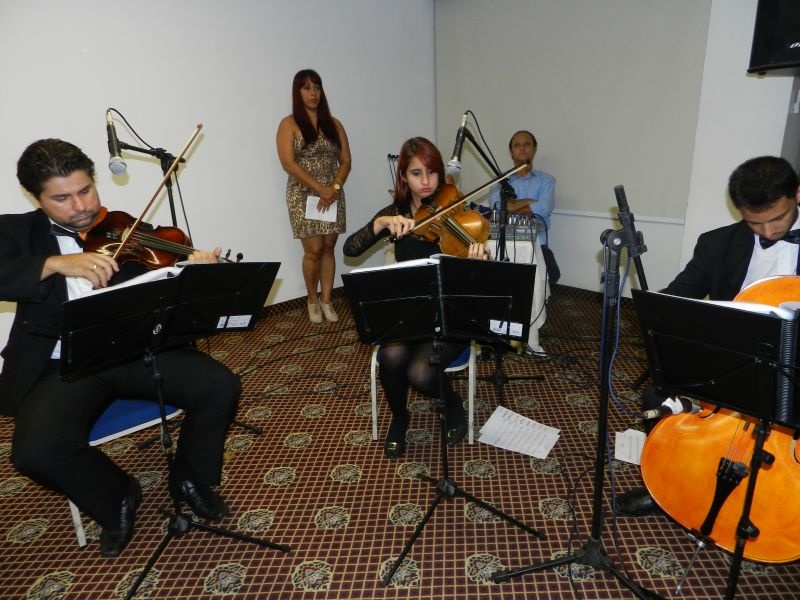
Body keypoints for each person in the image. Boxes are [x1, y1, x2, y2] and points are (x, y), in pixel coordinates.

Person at [0, 138, 241, 557]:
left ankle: (191, 478)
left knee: (219, 385)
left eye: (86, 190)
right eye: (62, 198)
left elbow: (162, 289)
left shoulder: (124, 231)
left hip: (133, 351)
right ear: (35, 197)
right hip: (64, 366)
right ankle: (118, 496)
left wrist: (195, 273)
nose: (81, 207)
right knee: (35, 452)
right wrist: (53, 264)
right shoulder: (16, 233)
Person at [616, 155, 800, 517]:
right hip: (733, 365)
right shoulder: (717, 244)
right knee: (658, 394)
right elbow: (677, 296)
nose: (767, 232)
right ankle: (666, 486)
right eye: (754, 222)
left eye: (777, 219)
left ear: (797, 194)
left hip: (793, 375)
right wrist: (657, 309)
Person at [343, 137, 488, 459]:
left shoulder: (457, 211)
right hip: (410, 311)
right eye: (416, 173)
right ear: (403, 177)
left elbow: (475, 283)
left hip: (449, 314)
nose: (425, 182)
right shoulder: (394, 214)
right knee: (391, 357)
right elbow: (350, 249)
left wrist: (475, 263)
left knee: (420, 372)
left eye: (432, 172)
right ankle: (400, 417)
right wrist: (380, 223)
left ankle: (452, 403)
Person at [277, 69, 352, 324]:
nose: (313, 93)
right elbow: (288, 163)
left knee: (329, 247)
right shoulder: (288, 124)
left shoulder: (334, 124)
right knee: (314, 250)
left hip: (333, 193)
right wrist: (321, 189)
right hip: (303, 195)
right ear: (297, 93)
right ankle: (312, 299)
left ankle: (327, 300)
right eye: (307, 87)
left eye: (317, 87)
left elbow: (346, 161)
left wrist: (334, 187)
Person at [487, 130, 559, 283]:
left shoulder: (547, 180)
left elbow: (544, 208)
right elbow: (497, 208)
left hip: (537, 242)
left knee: (550, 277)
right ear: (511, 151)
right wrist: (529, 202)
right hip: (504, 242)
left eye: (527, 144)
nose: (522, 148)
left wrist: (513, 207)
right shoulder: (500, 180)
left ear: (534, 149)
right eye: (517, 145)